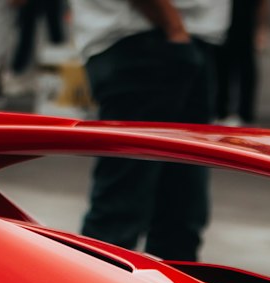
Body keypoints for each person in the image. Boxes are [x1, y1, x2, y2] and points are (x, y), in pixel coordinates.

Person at [72, 0, 230, 261]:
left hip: (160, 39)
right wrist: (174, 29)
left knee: (178, 212)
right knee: (122, 212)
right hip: (147, 39)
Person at [215, 0, 268, 125]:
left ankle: (243, 114)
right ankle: (222, 111)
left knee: (243, 60)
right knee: (221, 61)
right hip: (221, 16)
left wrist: (261, 28)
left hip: (242, 15)